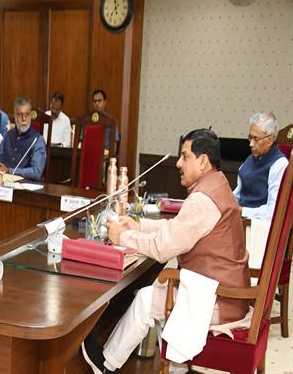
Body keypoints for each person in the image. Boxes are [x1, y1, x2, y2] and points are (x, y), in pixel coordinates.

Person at [81, 129, 250, 374]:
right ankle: (178, 371)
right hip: (223, 292)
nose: (178, 163)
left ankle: (106, 366)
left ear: (203, 161)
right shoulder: (217, 185)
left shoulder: (203, 200)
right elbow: (178, 229)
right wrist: (139, 226)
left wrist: (122, 236)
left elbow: (163, 248)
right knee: (161, 297)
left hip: (219, 299)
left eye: (185, 156)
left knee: (146, 300)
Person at [233, 112, 288, 222]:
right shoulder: (250, 158)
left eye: (256, 139)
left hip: (257, 225)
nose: (251, 144)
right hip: (239, 218)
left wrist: (242, 211)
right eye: (250, 138)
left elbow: (272, 211)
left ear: (270, 140)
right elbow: (238, 193)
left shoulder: (279, 164)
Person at [0, 97, 46, 181]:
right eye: (20, 115)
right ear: (15, 116)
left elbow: (36, 172)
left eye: (27, 115)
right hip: (4, 183)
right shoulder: (8, 135)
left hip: (26, 185)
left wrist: (9, 170)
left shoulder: (38, 140)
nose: (24, 119)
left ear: (30, 116)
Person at [92, 88, 120, 154]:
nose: (97, 103)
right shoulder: (87, 120)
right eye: (95, 101)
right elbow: (81, 142)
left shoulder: (111, 121)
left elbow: (114, 148)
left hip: (104, 156)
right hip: (89, 153)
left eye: (99, 101)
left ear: (104, 102)